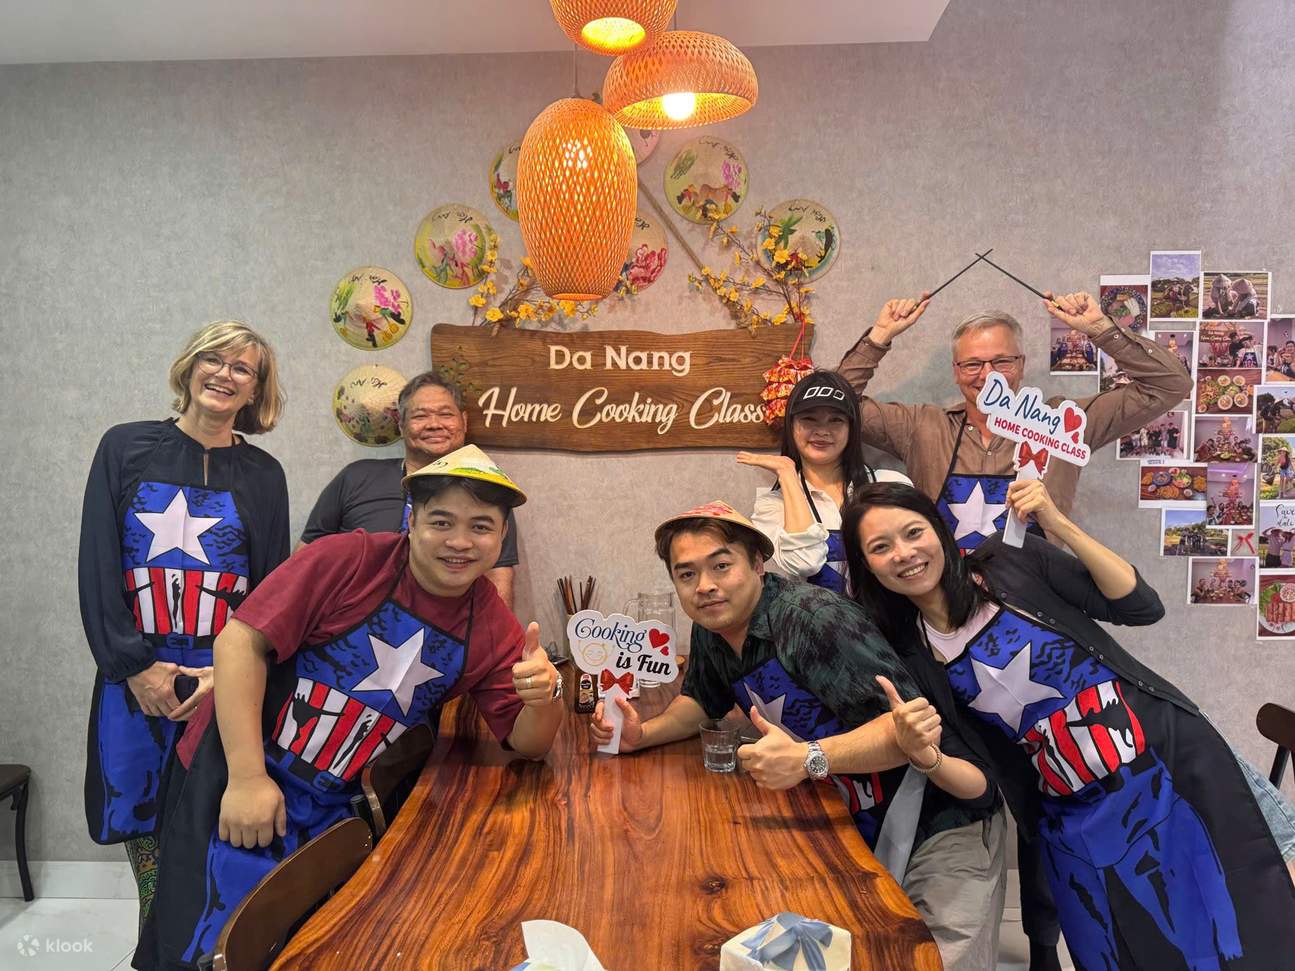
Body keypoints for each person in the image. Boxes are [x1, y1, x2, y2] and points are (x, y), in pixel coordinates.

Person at [838, 288, 1193, 969]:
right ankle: (1031, 928)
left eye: (1000, 360)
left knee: (1074, 792)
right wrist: (879, 334)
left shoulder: (1062, 421)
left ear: (1022, 364)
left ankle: (1054, 944)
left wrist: (1099, 327)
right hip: (950, 631)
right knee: (1014, 785)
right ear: (955, 370)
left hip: (1042, 623)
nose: (986, 375)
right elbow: (835, 405)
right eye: (971, 364)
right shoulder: (922, 427)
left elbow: (1167, 385)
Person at [135, 445, 563, 970]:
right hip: (233, 771)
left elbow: (528, 742)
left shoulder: (490, 623)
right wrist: (246, 779)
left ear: (501, 537)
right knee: (199, 944)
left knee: (294, 946)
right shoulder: (347, 560)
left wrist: (546, 696)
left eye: (480, 527)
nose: (459, 541)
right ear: (412, 521)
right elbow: (239, 642)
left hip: (331, 805)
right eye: (442, 521)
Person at [843, 479, 1295, 970]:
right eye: (880, 547)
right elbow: (982, 786)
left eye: (913, 532)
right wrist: (925, 755)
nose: (904, 553)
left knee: (1254, 908)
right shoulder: (911, 655)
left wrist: (1058, 524)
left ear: (938, 529)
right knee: (1138, 949)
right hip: (1076, 809)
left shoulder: (1009, 562)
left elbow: (1141, 605)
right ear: (867, 565)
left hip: (1167, 761)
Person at [589, 501, 1006, 970]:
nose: (704, 585)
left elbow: (908, 732)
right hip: (853, 819)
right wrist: (643, 734)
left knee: (931, 961)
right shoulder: (712, 624)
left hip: (942, 818)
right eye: (687, 575)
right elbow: (702, 701)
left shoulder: (811, 618)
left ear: (758, 563)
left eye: (721, 566)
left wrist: (808, 758)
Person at [78, 321, 290, 931]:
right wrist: (135, 667)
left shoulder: (264, 474)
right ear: (190, 367)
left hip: (223, 681)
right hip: (135, 679)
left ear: (256, 390)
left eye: (242, 368)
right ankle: (155, 942)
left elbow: (270, 592)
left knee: (211, 826)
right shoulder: (124, 448)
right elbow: (98, 565)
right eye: (213, 360)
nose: (225, 374)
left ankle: (204, 947)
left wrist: (232, 676)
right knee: (140, 816)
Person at [300, 371, 520, 609]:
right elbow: (304, 559)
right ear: (401, 425)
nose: (434, 424)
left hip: (445, 624)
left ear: (464, 422)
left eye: (446, 414)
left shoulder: (488, 489)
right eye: (420, 416)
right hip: (347, 619)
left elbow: (498, 577)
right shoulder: (356, 477)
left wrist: (497, 632)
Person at [739, 370, 909, 594]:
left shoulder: (890, 483)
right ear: (791, 425)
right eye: (809, 419)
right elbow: (804, 563)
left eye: (836, 420)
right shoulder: (772, 505)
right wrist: (787, 474)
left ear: (851, 428)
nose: (822, 431)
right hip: (817, 617)